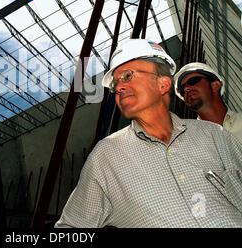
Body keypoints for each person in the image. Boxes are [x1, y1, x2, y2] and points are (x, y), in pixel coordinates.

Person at [55, 39, 242, 228]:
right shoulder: (106, 157)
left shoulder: (214, 135)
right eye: (115, 84)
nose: (118, 88)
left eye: (127, 76)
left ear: (162, 84)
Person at [174, 62, 242, 142]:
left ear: (215, 86)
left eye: (193, 81)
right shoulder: (190, 141)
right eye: (182, 89)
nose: (186, 89)